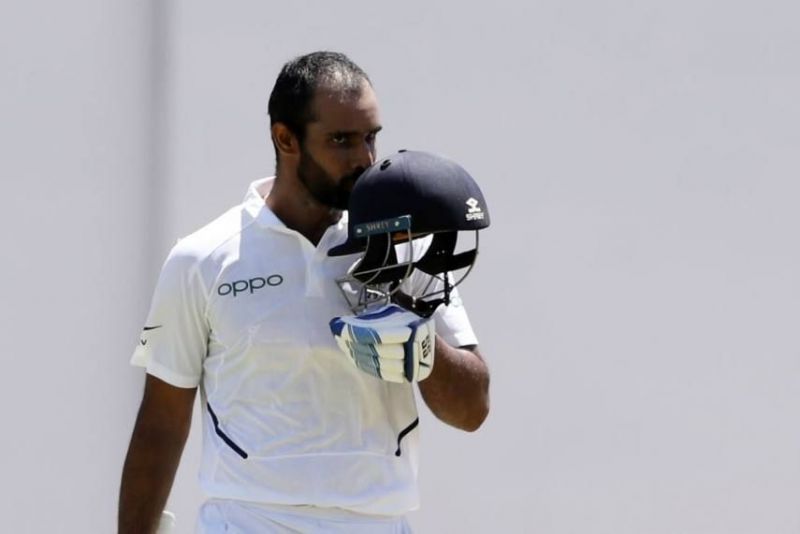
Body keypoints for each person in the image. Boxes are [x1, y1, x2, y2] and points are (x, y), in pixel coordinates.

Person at [118, 51, 490, 533]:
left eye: (371, 137)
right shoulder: (199, 259)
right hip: (249, 521)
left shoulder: (406, 247)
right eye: (342, 140)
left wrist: (422, 347)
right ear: (285, 138)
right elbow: (160, 424)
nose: (365, 159)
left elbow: (473, 409)